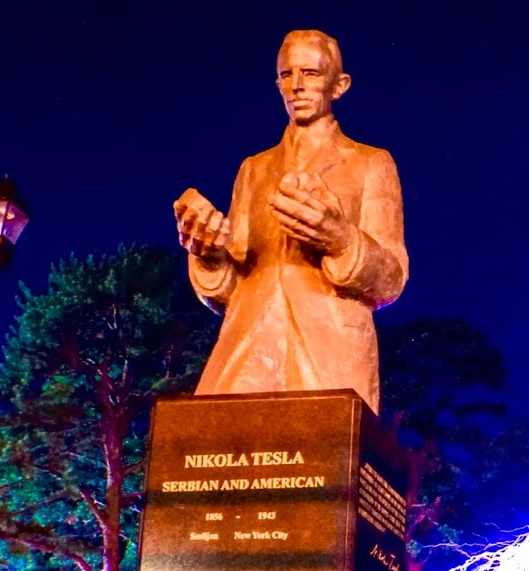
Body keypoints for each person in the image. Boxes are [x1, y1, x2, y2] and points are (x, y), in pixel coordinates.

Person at [172, 29, 406, 412]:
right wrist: (210, 256)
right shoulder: (254, 169)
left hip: (329, 354)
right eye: (286, 74)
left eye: (311, 74)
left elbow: (392, 278)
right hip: (247, 352)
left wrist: (341, 240)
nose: (296, 86)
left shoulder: (371, 164)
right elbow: (233, 287)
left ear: (340, 85)